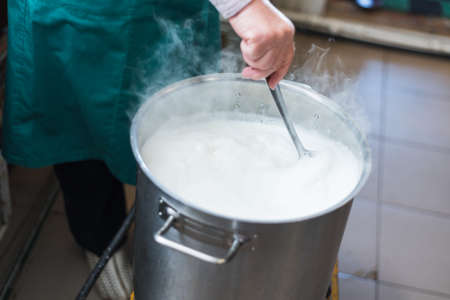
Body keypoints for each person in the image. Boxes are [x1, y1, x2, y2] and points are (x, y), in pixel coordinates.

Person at [4, 0, 295, 298]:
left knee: (183, 129)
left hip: (167, 10)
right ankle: (101, 243)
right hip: (77, 14)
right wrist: (245, 5)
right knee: (80, 131)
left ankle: (184, 241)